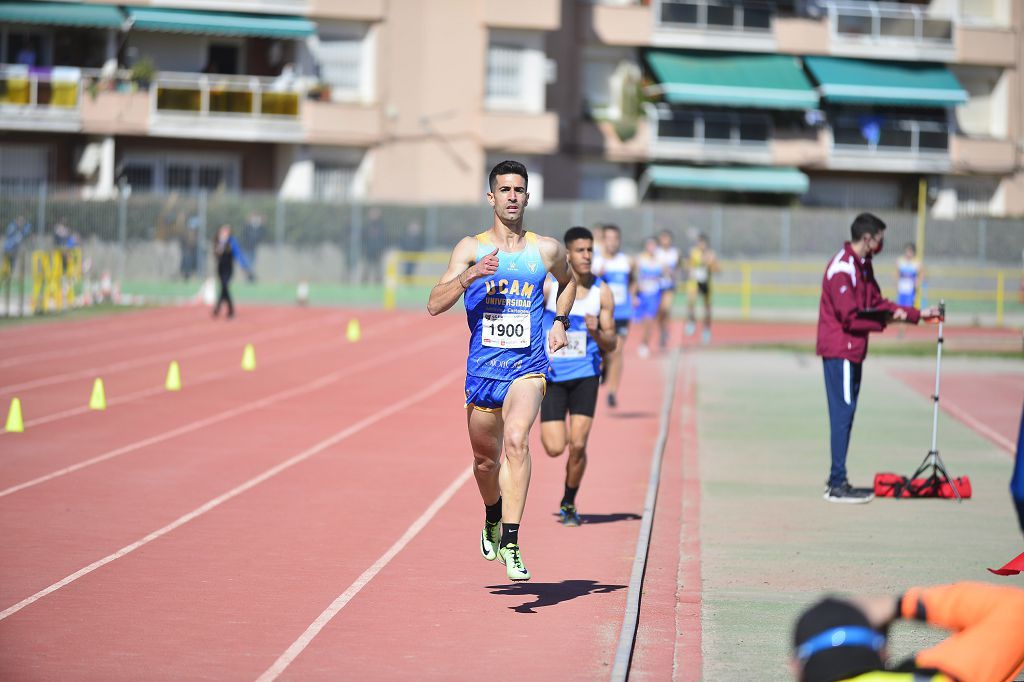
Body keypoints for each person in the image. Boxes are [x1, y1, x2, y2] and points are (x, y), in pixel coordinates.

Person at [427, 160, 575, 582]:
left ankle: (511, 539)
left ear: (528, 197)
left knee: (516, 441)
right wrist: (469, 276)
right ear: (491, 197)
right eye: (504, 190)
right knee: (484, 462)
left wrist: (560, 322)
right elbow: (434, 304)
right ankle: (493, 512)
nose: (512, 196)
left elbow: (569, 282)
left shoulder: (544, 250)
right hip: (482, 374)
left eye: (519, 190)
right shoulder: (470, 249)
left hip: (527, 369)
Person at [817, 213, 940, 503]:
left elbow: (875, 302)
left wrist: (915, 315)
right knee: (842, 415)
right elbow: (850, 317)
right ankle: (837, 484)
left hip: (854, 350)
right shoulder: (842, 269)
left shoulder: (863, 265)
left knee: (847, 414)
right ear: (868, 238)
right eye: (880, 238)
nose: (883, 244)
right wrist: (886, 321)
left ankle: (838, 479)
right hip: (840, 351)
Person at [791, 581, 1024, 682]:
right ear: (883, 653)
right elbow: (1017, 610)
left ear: (796, 668)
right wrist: (901, 605)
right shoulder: (934, 677)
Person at [539, 226, 616, 527]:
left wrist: (596, 331)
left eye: (590, 250)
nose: (587, 256)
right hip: (554, 377)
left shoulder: (602, 292)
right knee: (555, 447)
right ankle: (568, 459)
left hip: (586, 375)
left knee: (579, 445)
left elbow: (612, 345)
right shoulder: (548, 288)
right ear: (567, 254)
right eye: (581, 250)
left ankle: (569, 501)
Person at [598, 224, 635, 408]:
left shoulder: (626, 262)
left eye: (615, 239)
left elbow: (633, 280)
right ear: (603, 240)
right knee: (604, 350)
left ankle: (612, 391)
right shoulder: (596, 262)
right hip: (600, 313)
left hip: (621, 313)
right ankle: (603, 367)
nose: (612, 242)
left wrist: (634, 294)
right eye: (609, 238)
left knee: (617, 350)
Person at [211, 224, 253, 319]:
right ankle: (221, 309)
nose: (224, 233)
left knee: (225, 286)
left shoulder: (231, 242)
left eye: (226, 231)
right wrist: (218, 250)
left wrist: (244, 266)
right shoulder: (218, 241)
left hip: (228, 268)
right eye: (223, 231)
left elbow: (238, 253)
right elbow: (215, 254)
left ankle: (228, 309)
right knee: (223, 288)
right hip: (220, 268)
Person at [634, 236, 665, 359]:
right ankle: (644, 340)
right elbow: (635, 279)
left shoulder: (660, 262)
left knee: (649, 321)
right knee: (640, 322)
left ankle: (644, 344)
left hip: (654, 295)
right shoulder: (640, 260)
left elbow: (667, 277)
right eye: (649, 245)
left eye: (654, 245)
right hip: (642, 295)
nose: (651, 248)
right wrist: (634, 295)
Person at [684, 232, 718, 345]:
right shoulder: (693, 253)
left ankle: (706, 329)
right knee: (691, 301)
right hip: (694, 281)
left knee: (707, 308)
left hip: (706, 283)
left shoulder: (711, 254)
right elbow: (688, 265)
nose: (702, 245)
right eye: (700, 243)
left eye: (704, 243)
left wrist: (710, 263)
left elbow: (716, 269)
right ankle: (691, 321)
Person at [655, 229, 681, 349]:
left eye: (667, 238)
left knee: (666, 308)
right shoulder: (656, 252)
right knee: (659, 312)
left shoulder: (674, 253)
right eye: (663, 238)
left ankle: (665, 331)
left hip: (669, 286)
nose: (665, 241)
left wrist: (672, 273)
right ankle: (663, 330)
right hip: (657, 286)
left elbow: (678, 268)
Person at [896, 243, 922, 308]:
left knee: (910, 305)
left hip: (911, 287)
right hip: (902, 287)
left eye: (910, 251)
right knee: (900, 305)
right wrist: (896, 282)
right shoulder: (900, 261)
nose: (908, 253)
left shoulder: (917, 262)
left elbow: (921, 274)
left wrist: (917, 282)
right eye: (907, 251)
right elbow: (897, 273)